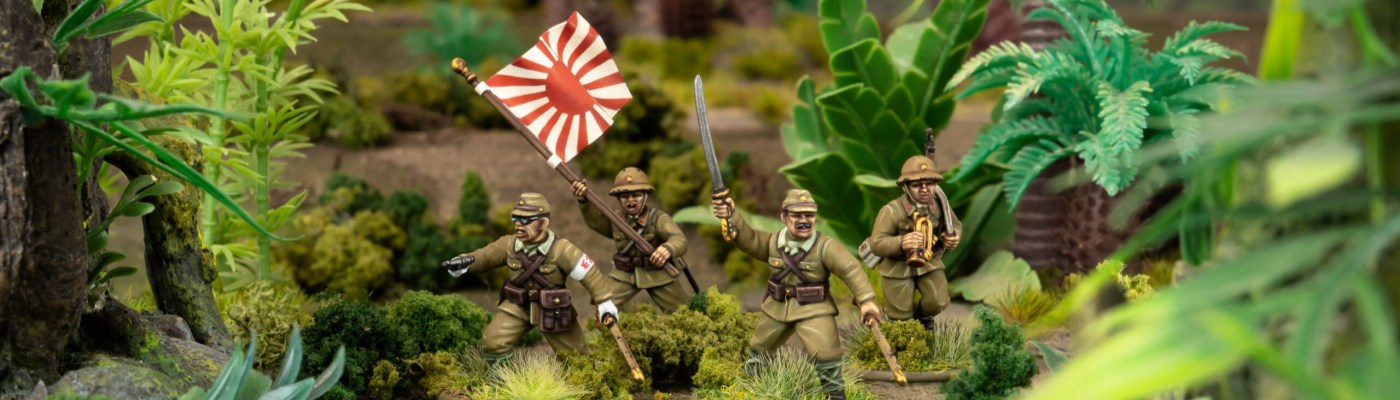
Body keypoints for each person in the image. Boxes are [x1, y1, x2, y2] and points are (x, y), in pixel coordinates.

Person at [712, 189, 880, 400]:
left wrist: (866, 301)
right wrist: (731, 215)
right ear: (784, 217)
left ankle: (835, 395)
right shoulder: (773, 242)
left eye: (809, 215)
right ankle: (751, 389)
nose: (804, 220)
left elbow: (851, 270)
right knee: (759, 348)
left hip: (814, 308)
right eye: (797, 215)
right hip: (777, 307)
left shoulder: (825, 246)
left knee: (827, 354)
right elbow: (750, 240)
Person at [442, 192, 616, 369]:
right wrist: (466, 262)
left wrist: (604, 301)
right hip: (517, 304)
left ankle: (587, 382)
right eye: (515, 218)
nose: (518, 224)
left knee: (577, 359)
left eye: (525, 220)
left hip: (553, 309)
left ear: (543, 223)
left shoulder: (562, 249)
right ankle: (503, 380)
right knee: (493, 342)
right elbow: (485, 256)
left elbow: (589, 273)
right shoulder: (508, 245)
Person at [571, 167, 690, 313]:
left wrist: (668, 248)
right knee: (604, 303)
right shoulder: (616, 219)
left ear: (645, 195)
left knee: (682, 312)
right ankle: (617, 326)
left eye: (636, 195)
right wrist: (583, 201)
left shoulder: (659, 219)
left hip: (657, 273)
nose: (631, 200)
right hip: (625, 273)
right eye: (625, 196)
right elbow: (596, 222)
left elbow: (679, 239)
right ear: (618, 198)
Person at [864, 155, 962, 328]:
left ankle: (923, 320)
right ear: (905, 187)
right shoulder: (892, 211)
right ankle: (902, 333)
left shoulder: (939, 206)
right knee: (900, 314)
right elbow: (876, 243)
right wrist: (901, 242)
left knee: (938, 301)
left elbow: (954, 225)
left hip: (928, 262)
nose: (925, 190)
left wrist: (953, 237)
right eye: (917, 185)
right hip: (898, 266)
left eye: (930, 184)